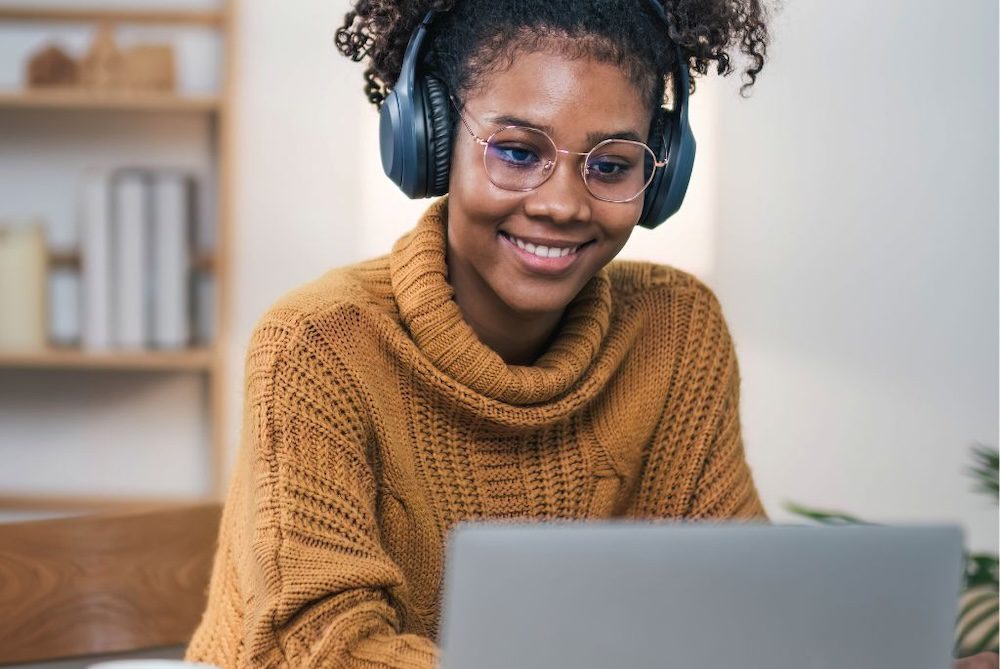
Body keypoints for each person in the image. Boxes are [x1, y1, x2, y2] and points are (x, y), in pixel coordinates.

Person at [184, 1, 998, 668]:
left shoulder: (677, 331)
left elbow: (744, 610)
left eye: (611, 165)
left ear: (661, 173)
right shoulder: (316, 346)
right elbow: (318, 650)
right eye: (515, 150)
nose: (564, 203)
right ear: (426, 141)